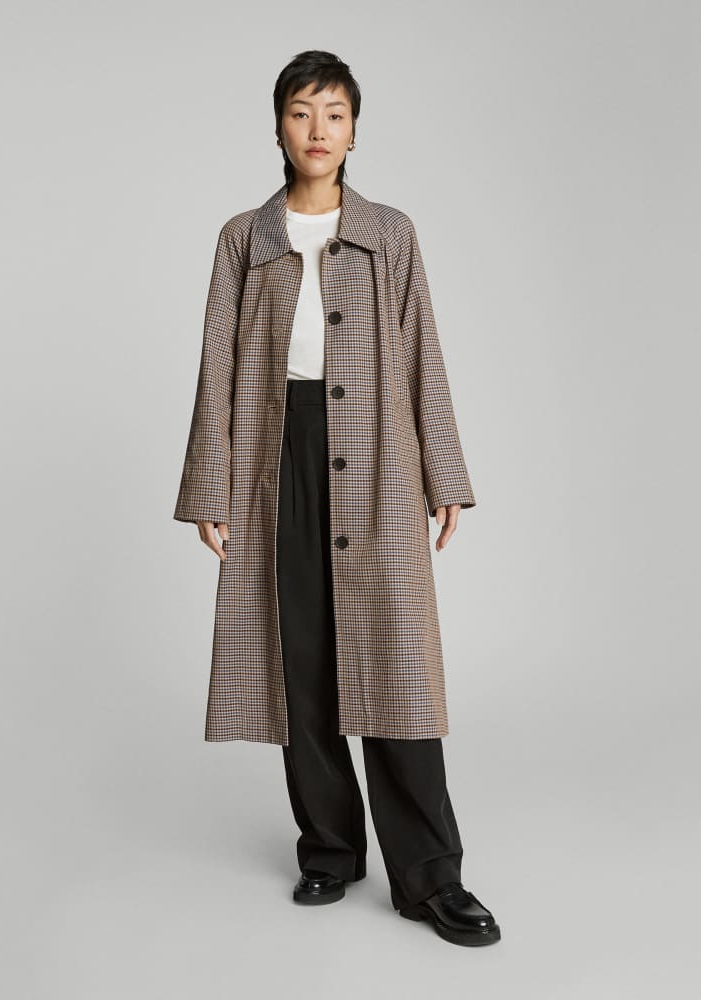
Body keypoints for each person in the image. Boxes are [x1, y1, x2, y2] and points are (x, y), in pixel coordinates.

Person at [173, 50, 499, 947]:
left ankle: (431, 878)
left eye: (335, 114)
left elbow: (423, 350)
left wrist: (445, 474)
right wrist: (211, 483)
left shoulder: (389, 233)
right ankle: (329, 850)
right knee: (301, 657)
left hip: (381, 454)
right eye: (301, 112)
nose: (318, 130)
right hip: (276, 452)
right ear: (278, 125)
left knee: (394, 657)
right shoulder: (244, 238)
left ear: (355, 131)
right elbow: (216, 364)